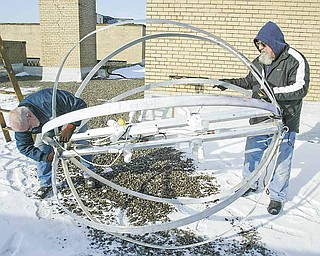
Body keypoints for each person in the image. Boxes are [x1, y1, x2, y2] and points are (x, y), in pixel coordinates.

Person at [216, 21, 310, 215]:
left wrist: (271, 93)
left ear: (274, 42)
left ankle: (277, 197)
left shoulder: (295, 60)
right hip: (260, 117)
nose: (260, 48)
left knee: (282, 160)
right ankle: (250, 183)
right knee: (253, 152)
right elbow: (249, 82)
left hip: (285, 119)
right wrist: (228, 83)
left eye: (263, 44)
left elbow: (301, 88)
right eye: (258, 45)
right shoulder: (260, 60)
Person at [9, 88, 97, 199]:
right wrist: (44, 157)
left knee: (82, 143)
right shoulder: (21, 123)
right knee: (41, 147)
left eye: (30, 128)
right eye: (28, 130)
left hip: (70, 116)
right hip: (45, 126)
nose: (30, 131)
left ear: (29, 116)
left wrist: (71, 126)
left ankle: (89, 175)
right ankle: (45, 183)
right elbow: (24, 146)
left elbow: (80, 105)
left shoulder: (49, 99)